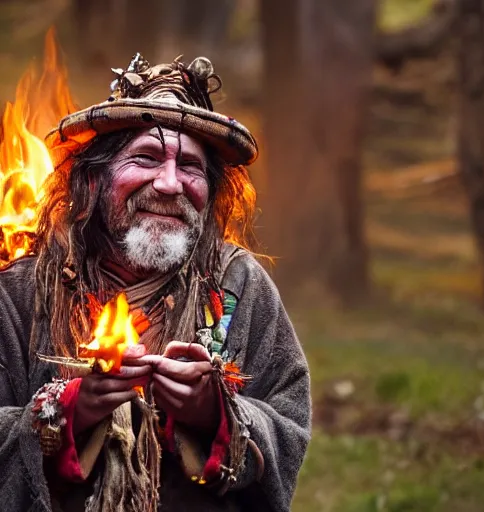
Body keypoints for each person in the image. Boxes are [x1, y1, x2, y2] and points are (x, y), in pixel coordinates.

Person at [0, 54, 311, 512]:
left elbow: (289, 421)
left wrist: (214, 413)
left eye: (190, 167)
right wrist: (64, 412)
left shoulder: (240, 285)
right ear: (92, 180)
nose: (169, 184)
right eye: (145, 157)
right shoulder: (20, 293)